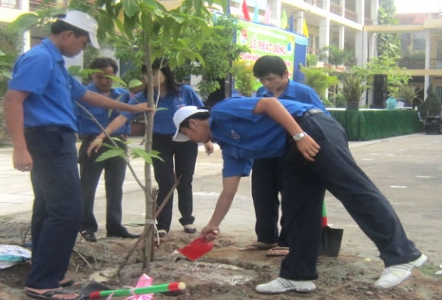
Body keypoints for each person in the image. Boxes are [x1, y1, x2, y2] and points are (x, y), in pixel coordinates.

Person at [172, 98, 426, 294]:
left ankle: (403, 256)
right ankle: (297, 275)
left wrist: (300, 135)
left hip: (308, 126)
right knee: (298, 209)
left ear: (193, 123)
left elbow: (270, 104)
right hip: (290, 149)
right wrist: (214, 224)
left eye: (187, 135)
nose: (190, 140)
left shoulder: (223, 111)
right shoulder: (231, 147)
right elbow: (228, 192)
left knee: (354, 191)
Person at [3, 11, 152, 300]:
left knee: (48, 209)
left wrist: (131, 109)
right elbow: (13, 99)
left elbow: (84, 96)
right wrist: (19, 146)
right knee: (69, 210)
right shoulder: (40, 59)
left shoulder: (56, 64)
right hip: (46, 139)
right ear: (68, 34)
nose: (82, 49)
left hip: (56, 138)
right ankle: (42, 281)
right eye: (83, 43)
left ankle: (47, 272)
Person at [244, 55, 329, 255]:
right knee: (262, 194)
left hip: (291, 152)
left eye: (271, 79)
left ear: (285, 74)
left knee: (291, 197)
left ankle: (287, 241)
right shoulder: (262, 92)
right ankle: (266, 238)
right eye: (262, 80)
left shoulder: (303, 93)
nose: (267, 84)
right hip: (265, 150)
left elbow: (323, 120)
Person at [127, 58, 214, 238]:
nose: (149, 77)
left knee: (184, 179)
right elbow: (127, 111)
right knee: (165, 181)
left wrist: (207, 140)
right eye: (146, 74)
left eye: (153, 73)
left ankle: (187, 219)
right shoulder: (146, 95)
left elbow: (201, 114)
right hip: (159, 141)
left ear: (165, 73)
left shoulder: (185, 92)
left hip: (186, 139)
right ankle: (163, 224)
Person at [77, 57, 139, 242]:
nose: (104, 81)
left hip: (117, 143)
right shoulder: (83, 94)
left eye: (108, 77)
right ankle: (86, 226)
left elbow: (126, 118)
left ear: (115, 76)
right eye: (99, 77)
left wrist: (124, 137)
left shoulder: (122, 95)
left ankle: (115, 226)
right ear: (91, 76)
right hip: (91, 143)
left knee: (115, 186)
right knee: (87, 187)